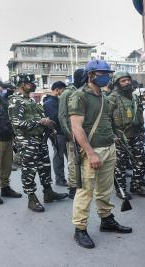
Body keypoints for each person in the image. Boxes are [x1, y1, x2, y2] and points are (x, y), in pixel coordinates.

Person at [69, 60, 132, 249]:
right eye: (101, 73)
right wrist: (90, 152)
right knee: (85, 191)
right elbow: (76, 128)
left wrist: (111, 136)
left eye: (107, 73)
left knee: (105, 190)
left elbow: (104, 121)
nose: (106, 76)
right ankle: (80, 229)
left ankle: (106, 220)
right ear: (91, 75)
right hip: (92, 152)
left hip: (108, 148)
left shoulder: (104, 96)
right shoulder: (79, 96)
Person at [8, 73, 67, 213]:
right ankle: (31, 198)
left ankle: (48, 192)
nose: (33, 84)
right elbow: (17, 123)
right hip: (27, 141)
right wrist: (39, 121)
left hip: (40, 139)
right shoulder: (16, 101)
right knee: (29, 170)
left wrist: (45, 121)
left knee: (44, 167)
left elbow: (38, 117)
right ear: (22, 84)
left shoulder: (31, 100)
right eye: (30, 83)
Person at [108, 71, 145, 199]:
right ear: (117, 83)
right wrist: (112, 135)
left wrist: (142, 131)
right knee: (120, 166)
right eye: (123, 81)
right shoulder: (111, 99)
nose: (127, 82)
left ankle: (136, 185)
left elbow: (139, 114)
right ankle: (121, 190)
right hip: (120, 138)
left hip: (135, 135)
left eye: (128, 80)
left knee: (141, 162)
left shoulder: (135, 97)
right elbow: (105, 119)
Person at [58, 69, 85, 199]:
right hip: (72, 134)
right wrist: (69, 134)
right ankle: (73, 187)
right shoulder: (67, 93)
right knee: (74, 161)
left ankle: (82, 184)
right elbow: (62, 116)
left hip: (84, 133)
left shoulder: (84, 92)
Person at [43, 81, 68, 186]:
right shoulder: (49, 103)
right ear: (57, 90)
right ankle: (60, 178)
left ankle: (68, 178)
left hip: (64, 132)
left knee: (66, 155)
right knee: (59, 155)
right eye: (62, 90)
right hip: (57, 133)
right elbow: (54, 119)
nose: (63, 92)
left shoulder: (57, 100)